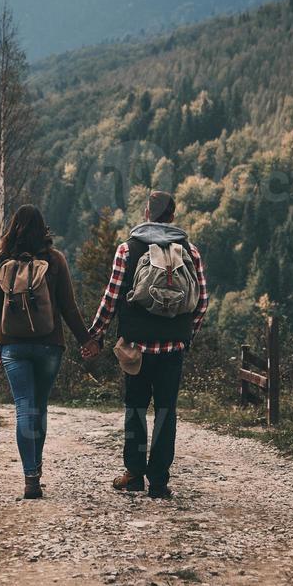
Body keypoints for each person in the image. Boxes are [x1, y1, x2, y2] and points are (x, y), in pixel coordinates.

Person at [85, 190, 208, 499]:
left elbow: (111, 298)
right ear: (173, 215)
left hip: (136, 349)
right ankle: (159, 481)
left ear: (146, 213)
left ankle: (134, 474)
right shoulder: (190, 251)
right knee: (167, 411)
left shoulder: (128, 249)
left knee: (136, 409)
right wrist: (185, 335)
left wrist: (96, 334)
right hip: (173, 349)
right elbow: (201, 302)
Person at [0, 205, 99, 499]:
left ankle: (30, 478)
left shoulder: (2, 260)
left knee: (24, 406)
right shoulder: (55, 260)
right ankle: (37, 467)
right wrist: (86, 340)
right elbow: (68, 307)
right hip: (49, 344)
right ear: (43, 229)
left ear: (13, 228)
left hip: (12, 344)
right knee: (40, 405)